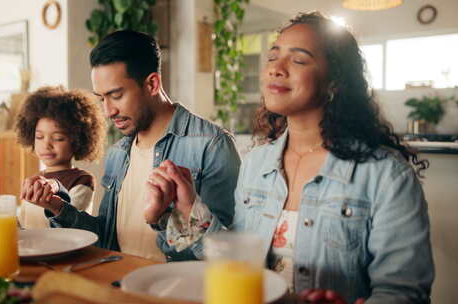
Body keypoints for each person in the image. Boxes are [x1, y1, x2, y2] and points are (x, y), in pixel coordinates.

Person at [147, 12, 434, 303]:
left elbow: (404, 292)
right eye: (273, 57)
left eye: (298, 60)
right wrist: (187, 207)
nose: (276, 69)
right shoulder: (256, 164)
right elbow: (238, 265)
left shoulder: (386, 176)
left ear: (334, 81)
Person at [20, 30, 241, 262]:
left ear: (152, 84)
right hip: (119, 284)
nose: (108, 111)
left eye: (116, 95)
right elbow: (105, 238)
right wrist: (57, 207)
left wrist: (165, 219)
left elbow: (231, 255)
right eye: (101, 98)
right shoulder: (118, 153)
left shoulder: (212, 146)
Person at [0, 86, 106, 228]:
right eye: (39, 137)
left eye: (58, 138)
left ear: (77, 140)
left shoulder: (82, 181)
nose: (46, 145)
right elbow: (22, 228)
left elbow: (72, 225)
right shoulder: (35, 180)